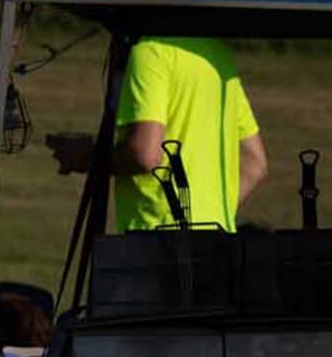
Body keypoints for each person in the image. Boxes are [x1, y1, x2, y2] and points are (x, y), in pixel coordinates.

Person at [44, 37, 267, 233]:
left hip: (156, 238)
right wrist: (210, 214)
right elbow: (254, 163)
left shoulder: (150, 52)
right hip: (216, 241)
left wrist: (84, 158)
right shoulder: (218, 55)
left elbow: (145, 154)